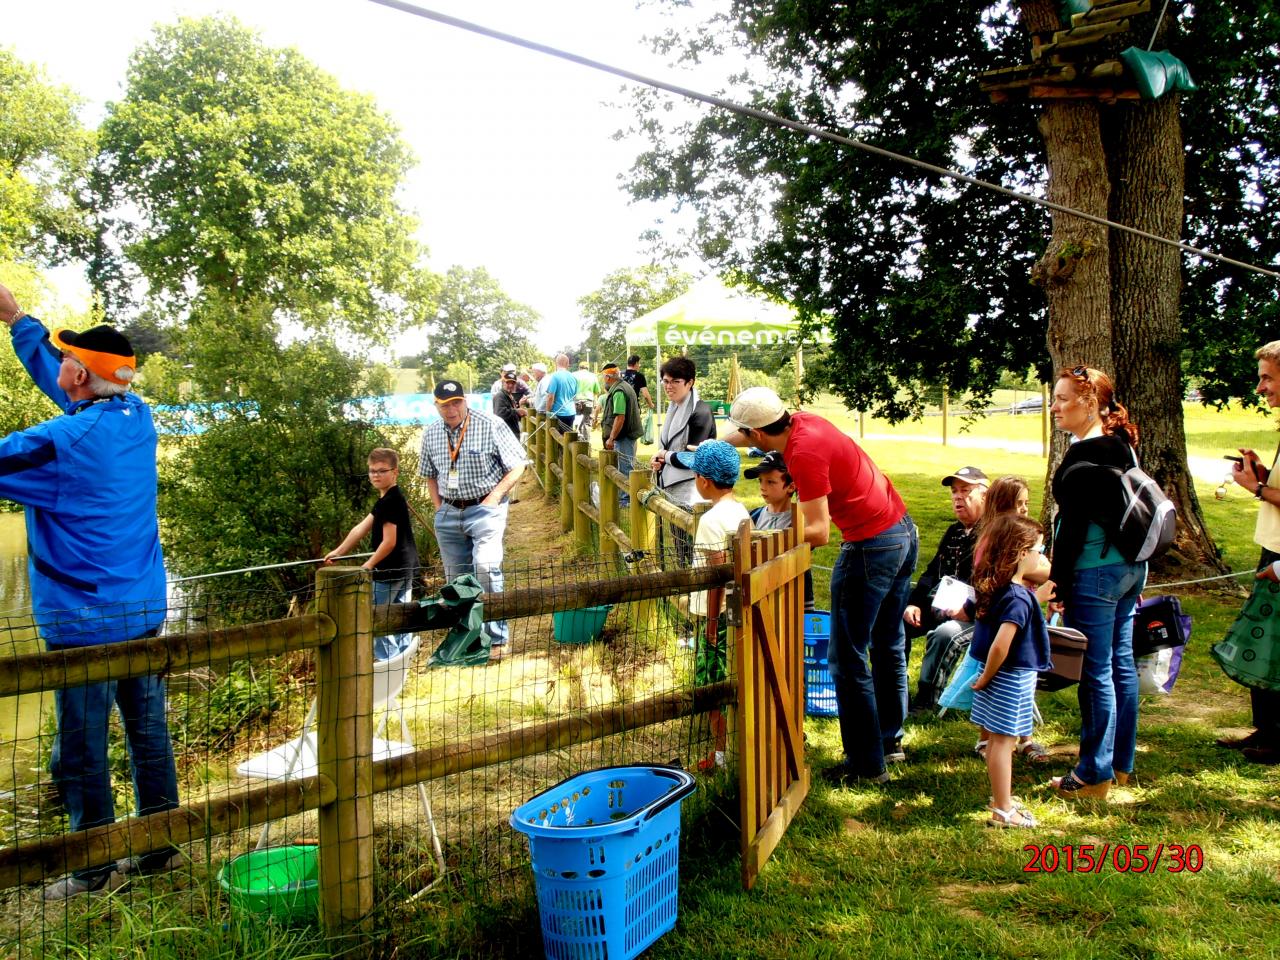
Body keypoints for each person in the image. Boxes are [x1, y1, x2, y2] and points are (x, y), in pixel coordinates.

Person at [0, 283, 178, 900]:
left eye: (69, 359)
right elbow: (68, 383)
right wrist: (18, 319)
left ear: (80, 376)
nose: (63, 365)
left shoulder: (58, 444)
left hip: (83, 621)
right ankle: (158, 847)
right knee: (148, 733)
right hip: (142, 609)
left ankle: (92, 868)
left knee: (79, 750)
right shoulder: (135, 415)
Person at [727, 386, 917, 785]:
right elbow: (747, 433)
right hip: (901, 531)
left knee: (846, 658)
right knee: (887, 644)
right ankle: (889, 743)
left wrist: (767, 540)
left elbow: (818, 530)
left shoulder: (803, 455)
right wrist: (705, 443)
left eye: (745, 434)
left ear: (757, 436)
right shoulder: (804, 422)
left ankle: (867, 767)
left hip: (870, 546)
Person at [1046, 365, 1145, 799]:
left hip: (1095, 570)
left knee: (1095, 672)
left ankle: (1092, 775)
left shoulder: (1085, 454)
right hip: (1129, 569)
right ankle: (1120, 764)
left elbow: (1070, 529)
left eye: (1063, 398)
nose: (1054, 407)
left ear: (1090, 404)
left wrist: (1059, 583)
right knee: (1120, 665)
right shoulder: (1123, 445)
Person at [420, 380, 526, 655]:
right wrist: (439, 507)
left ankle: (498, 639)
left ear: (465, 400)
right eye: (445, 405)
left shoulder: (491, 424)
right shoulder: (431, 434)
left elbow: (517, 465)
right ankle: (470, 638)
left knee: (486, 568)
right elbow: (430, 474)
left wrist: (493, 499)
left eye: (456, 402)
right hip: (449, 512)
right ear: (436, 406)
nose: (451, 409)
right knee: (457, 580)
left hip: (485, 509)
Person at [1217, 340, 1280, 764]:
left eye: (1268, 378)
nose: (1261, 387)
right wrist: (1262, 476)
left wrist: (1255, 487)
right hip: (1271, 546)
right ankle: (1267, 730)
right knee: (1263, 641)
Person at [669, 440, 750, 771]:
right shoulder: (740, 511)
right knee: (729, 680)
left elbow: (717, 573)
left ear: (703, 480)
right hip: (737, 612)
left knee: (712, 686)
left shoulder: (710, 520)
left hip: (715, 616)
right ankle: (727, 748)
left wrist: (712, 625)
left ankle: (721, 756)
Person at [968, 514, 1052, 829]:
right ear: (1020, 554)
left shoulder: (999, 589)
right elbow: (1001, 646)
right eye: (1039, 551)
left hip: (999, 677)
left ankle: (1000, 801)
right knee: (1005, 742)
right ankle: (1004, 810)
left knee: (996, 741)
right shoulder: (1019, 598)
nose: (1042, 558)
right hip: (1010, 678)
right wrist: (988, 676)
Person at [322, 447, 420, 661]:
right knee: (401, 615)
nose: (375, 475)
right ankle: (403, 662)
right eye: (372, 471)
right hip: (405, 566)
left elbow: (389, 542)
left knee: (376, 617)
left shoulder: (391, 501)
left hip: (390, 570)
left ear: (395, 472)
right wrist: (339, 552)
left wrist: (368, 564)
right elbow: (360, 528)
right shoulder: (387, 499)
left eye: (381, 471)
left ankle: (389, 663)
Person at [905, 466, 987, 712]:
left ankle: (928, 698)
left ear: (985, 496)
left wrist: (969, 610)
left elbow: (994, 582)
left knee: (945, 634)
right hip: (941, 604)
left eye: (965, 491)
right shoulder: (954, 531)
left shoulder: (993, 533)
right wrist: (914, 603)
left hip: (976, 615)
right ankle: (895, 689)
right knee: (896, 621)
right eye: (954, 492)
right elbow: (932, 571)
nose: (957, 497)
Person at [650, 357, 716, 565]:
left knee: (694, 541)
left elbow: (695, 457)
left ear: (690, 382)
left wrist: (665, 456)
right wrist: (660, 459)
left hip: (694, 489)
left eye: (675, 381)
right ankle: (685, 576)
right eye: (665, 381)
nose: (669, 386)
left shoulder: (700, 412)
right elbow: (669, 447)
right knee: (680, 542)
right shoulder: (674, 408)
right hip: (673, 486)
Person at [744, 451, 816, 611]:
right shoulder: (753, 517)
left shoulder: (800, 521)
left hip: (793, 599)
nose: (763, 487)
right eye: (760, 481)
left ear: (791, 486)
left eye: (770, 482)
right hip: (759, 598)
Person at [599, 362, 643, 506]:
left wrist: (611, 438)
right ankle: (624, 497)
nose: (603, 380)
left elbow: (620, 417)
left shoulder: (618, 391)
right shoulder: (623, 386)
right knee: (624, 466)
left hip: (624, 436)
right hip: (627, 435)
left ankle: (626, 499)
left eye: (603, 377)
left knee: (625, 467)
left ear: (607, 377)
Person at [543, 354, 579, 433]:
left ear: (556, 363)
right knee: (568, 439)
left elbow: (550, 397)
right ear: (568, 364)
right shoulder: (573, 378)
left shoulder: (555, 376)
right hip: (571, 413)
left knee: (555, 440)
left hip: (558, 413)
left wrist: (548, 412)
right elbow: (574, 396)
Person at [491, 370, 525, 438]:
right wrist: (517, 411)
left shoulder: (510, 396)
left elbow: (512, 414)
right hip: (505, 436)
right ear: (503, 383)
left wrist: (519, 411)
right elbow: (500, 413)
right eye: (508, 383)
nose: (510, 385)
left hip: (512, 434)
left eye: (513, 383)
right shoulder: (500, 396)